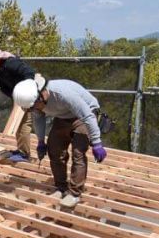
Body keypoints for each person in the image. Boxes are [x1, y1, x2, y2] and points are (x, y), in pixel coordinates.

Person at [13, 75, 108, 209]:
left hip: (84, 115)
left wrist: (97, 143)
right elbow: (38, 119)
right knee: (55, 149)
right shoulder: (35, 103)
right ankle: (61, 187)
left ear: (42, 94)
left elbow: (87, 115)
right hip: (63, 116)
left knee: (78, 152)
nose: (35, 109)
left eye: (34, 106)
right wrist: (41, 141)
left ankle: (74, 193)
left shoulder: (62, 94)